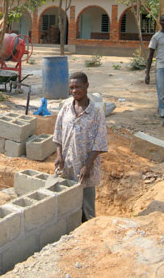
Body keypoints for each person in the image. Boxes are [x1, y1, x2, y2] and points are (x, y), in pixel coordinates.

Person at [53, 71, 108, 222]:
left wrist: (87, 165)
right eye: (71, 87)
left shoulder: (96, 112)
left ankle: (88, 232)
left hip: (86, 169)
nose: (74, 91)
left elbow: (100, 141)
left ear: (86, 86)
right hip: (67, 166)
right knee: (68, 203)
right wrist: (59, 155)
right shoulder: (65, 109)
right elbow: (58, 134)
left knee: (87, 206)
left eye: (78, 87)